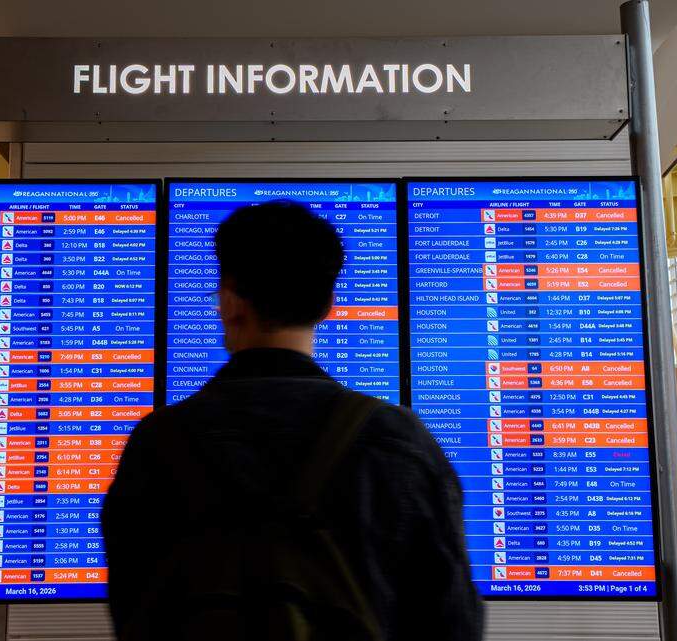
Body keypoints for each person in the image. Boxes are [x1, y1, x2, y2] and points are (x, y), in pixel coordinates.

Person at [103, 201, 482, 641]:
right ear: (327, 307)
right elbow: (451, 623)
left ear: (228, 301)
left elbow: (135, 615)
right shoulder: (399, 442)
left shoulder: (159, 442)